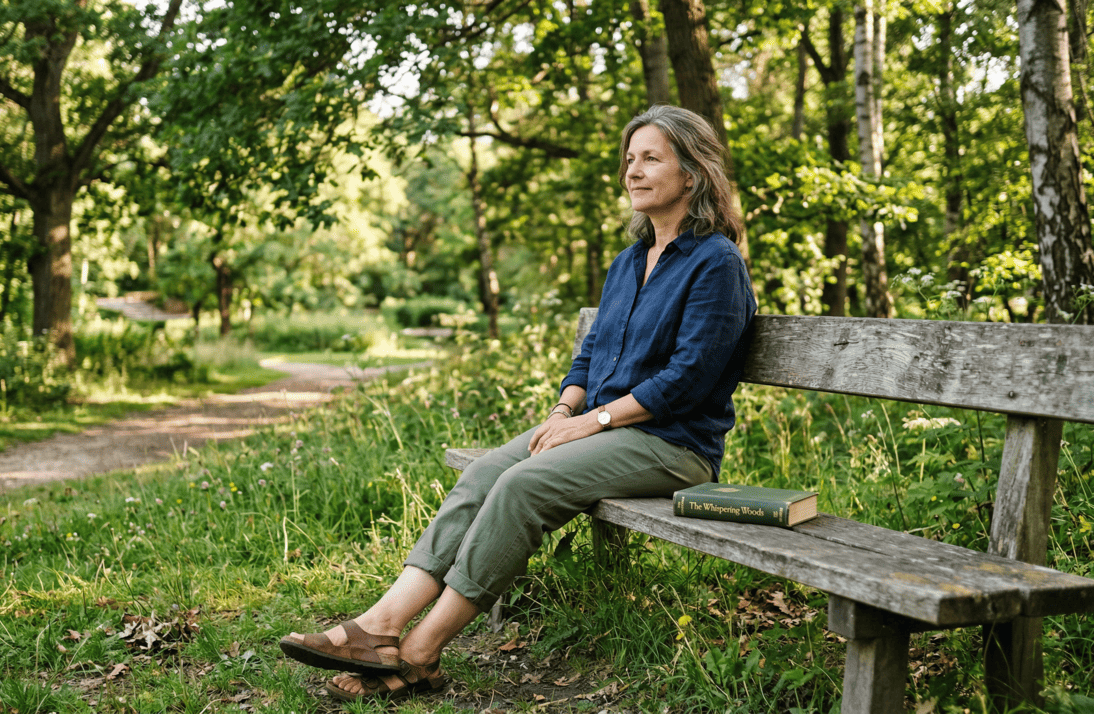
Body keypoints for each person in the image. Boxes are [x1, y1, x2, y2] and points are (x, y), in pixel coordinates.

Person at [278, 104, 757, 702]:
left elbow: (686, 381)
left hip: (673, 445)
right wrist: (564, 412)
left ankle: (422, 652)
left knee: (522, 485)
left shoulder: (716, 263)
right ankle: (380, 626)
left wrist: (592, 421)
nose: (633, 171)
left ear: (692, 172)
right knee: (486, 471)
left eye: (650, 158)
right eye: (629, 159)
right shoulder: (629, 261)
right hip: (602, 429)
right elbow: (589, 357)